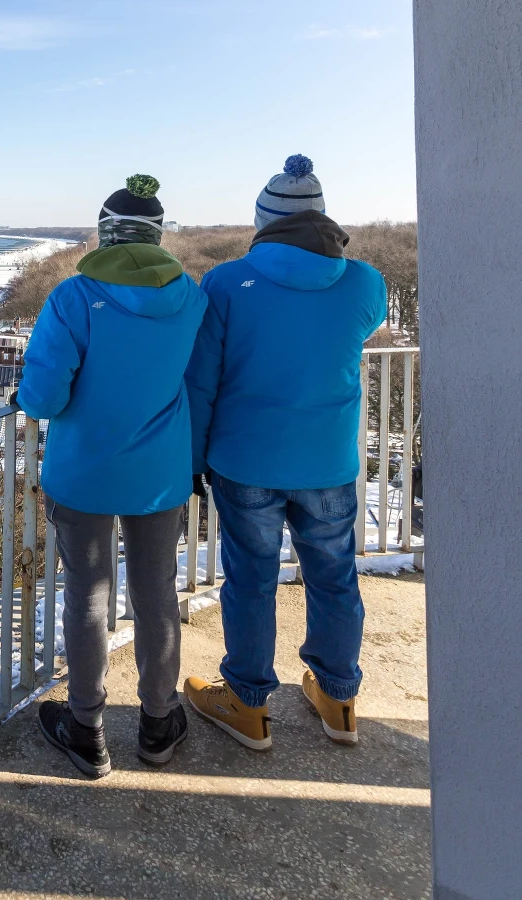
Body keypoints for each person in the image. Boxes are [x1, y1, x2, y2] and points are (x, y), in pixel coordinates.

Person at [183, 155, 387, 750]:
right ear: (322, 217)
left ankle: (248, 705)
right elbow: (359, 326)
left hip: (244, 461)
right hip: (326, 461)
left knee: (250, 580)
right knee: (334, 577)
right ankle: (338, 698)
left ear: (264, 222)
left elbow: (202, 380)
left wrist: (193, 458)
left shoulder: (225, 282)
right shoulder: (365, 281)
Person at [17, 174, 207, 778]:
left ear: (105, 233)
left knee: (88, 598)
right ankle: (157, 722)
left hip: (87, 474)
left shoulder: (74, 298)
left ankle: (87, 728)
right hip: (160, 475)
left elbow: (42, 398)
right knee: (157, 596)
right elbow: (193, 379)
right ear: (157, 238)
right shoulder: (191, 296)